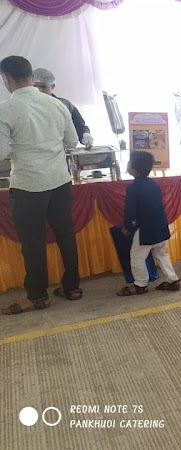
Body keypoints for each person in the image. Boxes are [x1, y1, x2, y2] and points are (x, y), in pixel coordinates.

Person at [0, 56, 81, 315]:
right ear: (32, 76)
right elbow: (72, 142)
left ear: (7, 79)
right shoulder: (56, 104)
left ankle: (37, 296)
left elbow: (1, 152)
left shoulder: (6, 110)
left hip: (28, 185)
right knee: (65, 234)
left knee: (33, 242)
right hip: (60, 180)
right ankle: (72, 287)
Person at [117, 151, 181, 296]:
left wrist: (126, 227)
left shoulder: (133, 188)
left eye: (129, 163)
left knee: (136, 257)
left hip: (145, 230)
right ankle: (173, 280)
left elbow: (130, 211)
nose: (127, 165)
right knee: (162, 254)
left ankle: (140, 284)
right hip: (161, 227)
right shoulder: (154, 185)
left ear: (134, 170)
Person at [32, 68, 93, 147]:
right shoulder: (25, 105)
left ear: (52, 86)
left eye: (44, 87)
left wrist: (85, 134)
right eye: (35, 87)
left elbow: (79, 125)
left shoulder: (65, 105)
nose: (39, 90)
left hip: (60, 151)